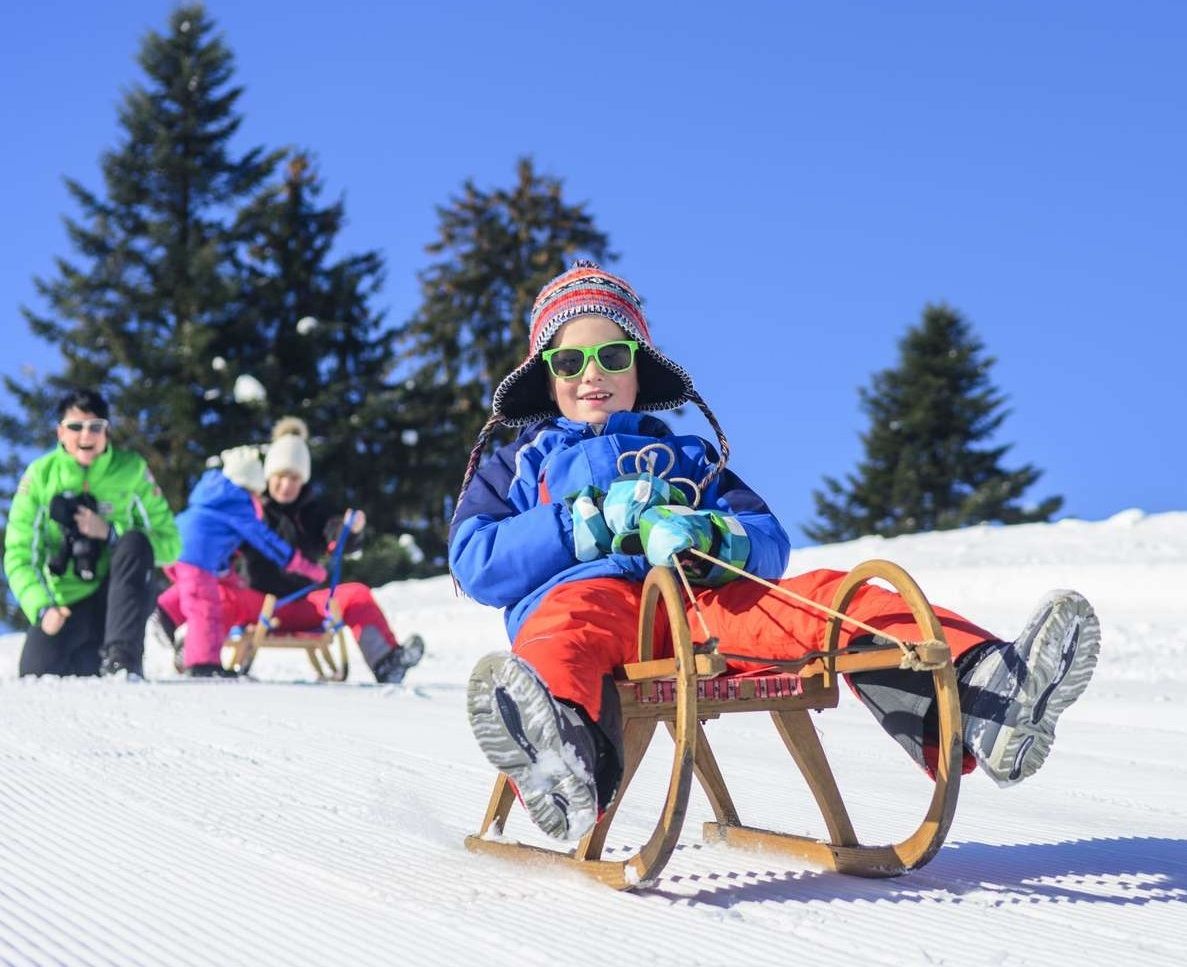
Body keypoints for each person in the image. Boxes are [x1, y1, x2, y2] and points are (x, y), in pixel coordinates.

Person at [450, 260, 1102, 841]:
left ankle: (989, 693)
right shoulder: (517, 463)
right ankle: (561, 756)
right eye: (570, 362)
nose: (592, 375)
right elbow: (475, 559)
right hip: (587, 603)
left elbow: (766, 539)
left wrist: (708, 534)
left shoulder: (686, 457)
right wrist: (578, 526)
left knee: (821, 597)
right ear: (547, 376)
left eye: (612, 357)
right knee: (559, 637)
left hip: (696, 605)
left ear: (637, 368)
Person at [153, 418, 424, 683]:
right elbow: (205, 569)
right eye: (281, 476)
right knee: (219, 595)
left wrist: (349, 531)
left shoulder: (315, 512)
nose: (286, 485)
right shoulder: (248, 510)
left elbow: (336, 538)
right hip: (257, 603)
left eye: (294, 478)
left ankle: (386, 662)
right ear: (268, 476)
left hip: (305, 604)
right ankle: (193, 651)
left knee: (356, 595)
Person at [5, 388, 180, 678]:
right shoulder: (40, 476)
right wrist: (41, 607)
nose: (86, 435)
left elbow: (171, 545)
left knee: (135, 542)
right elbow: (19, 553)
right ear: (60, 432)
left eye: (95, 427)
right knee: (37, 675)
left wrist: (111, 533)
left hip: (115, 603)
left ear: (106, 431)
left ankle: (122, 661)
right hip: (64, 604)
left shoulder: (131, 470)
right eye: (76, 427)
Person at [166, 445, 327, 678]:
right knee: (206, 608)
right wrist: (309, 569)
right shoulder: (238, 504)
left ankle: (166, 611)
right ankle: (202, 664)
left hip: (175, 549)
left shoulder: (215, 495)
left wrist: (228, 575)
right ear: (250, 486)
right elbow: (270, 544)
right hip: (195, 558)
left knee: (201, 594)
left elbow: (216, 546)